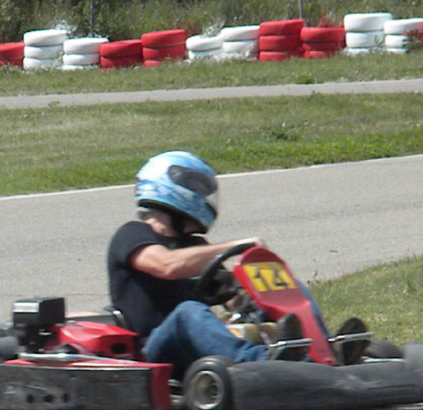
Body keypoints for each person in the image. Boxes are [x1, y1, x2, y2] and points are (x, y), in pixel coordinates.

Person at [107, 150, 311, 375]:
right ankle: (261, 362)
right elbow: (167, 266)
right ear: (166, 186)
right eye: (196, 187)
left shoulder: (194, 245)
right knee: (189, 311)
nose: (203, 195)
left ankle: (318, 352)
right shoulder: (132, 234)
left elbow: (233, 297)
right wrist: (235, 246)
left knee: (289, 289)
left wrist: (258, 302)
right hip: (154, 349)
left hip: (194, 342)